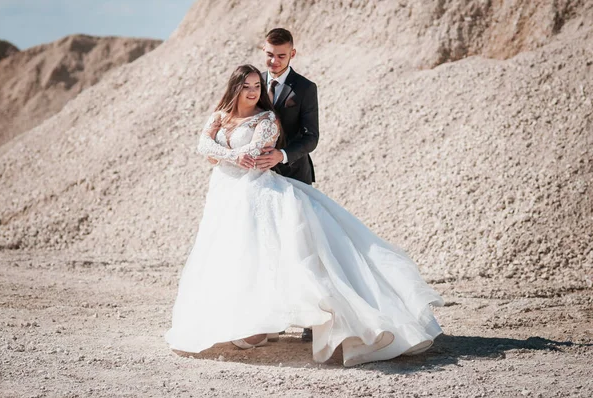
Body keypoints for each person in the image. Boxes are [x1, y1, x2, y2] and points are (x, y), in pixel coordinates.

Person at [165, 63, 444, 367]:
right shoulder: (220, 116)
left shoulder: (267, 119)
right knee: (229, 255)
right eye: (246, 86)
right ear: (234, 87)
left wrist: (222, 155)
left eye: (257, 86)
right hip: (222, 193)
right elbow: (202, 144)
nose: (252, 91)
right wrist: (229, 154)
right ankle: (246, 320)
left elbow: (254, 154)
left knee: (264, 253)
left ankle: (269, 325)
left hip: (254, 191)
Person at [256, 28, 319, 342]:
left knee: (301, 246)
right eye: (269, 53)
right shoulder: (254, 84)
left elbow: (311, 137)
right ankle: (277, 315)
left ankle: (311, 318)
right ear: (263, 49)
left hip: (296, 176)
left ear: (293, 54)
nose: (274, 60)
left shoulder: (306, 88)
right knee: (270, 246)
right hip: (261, 180)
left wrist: (281, 154)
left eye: (281, 55)